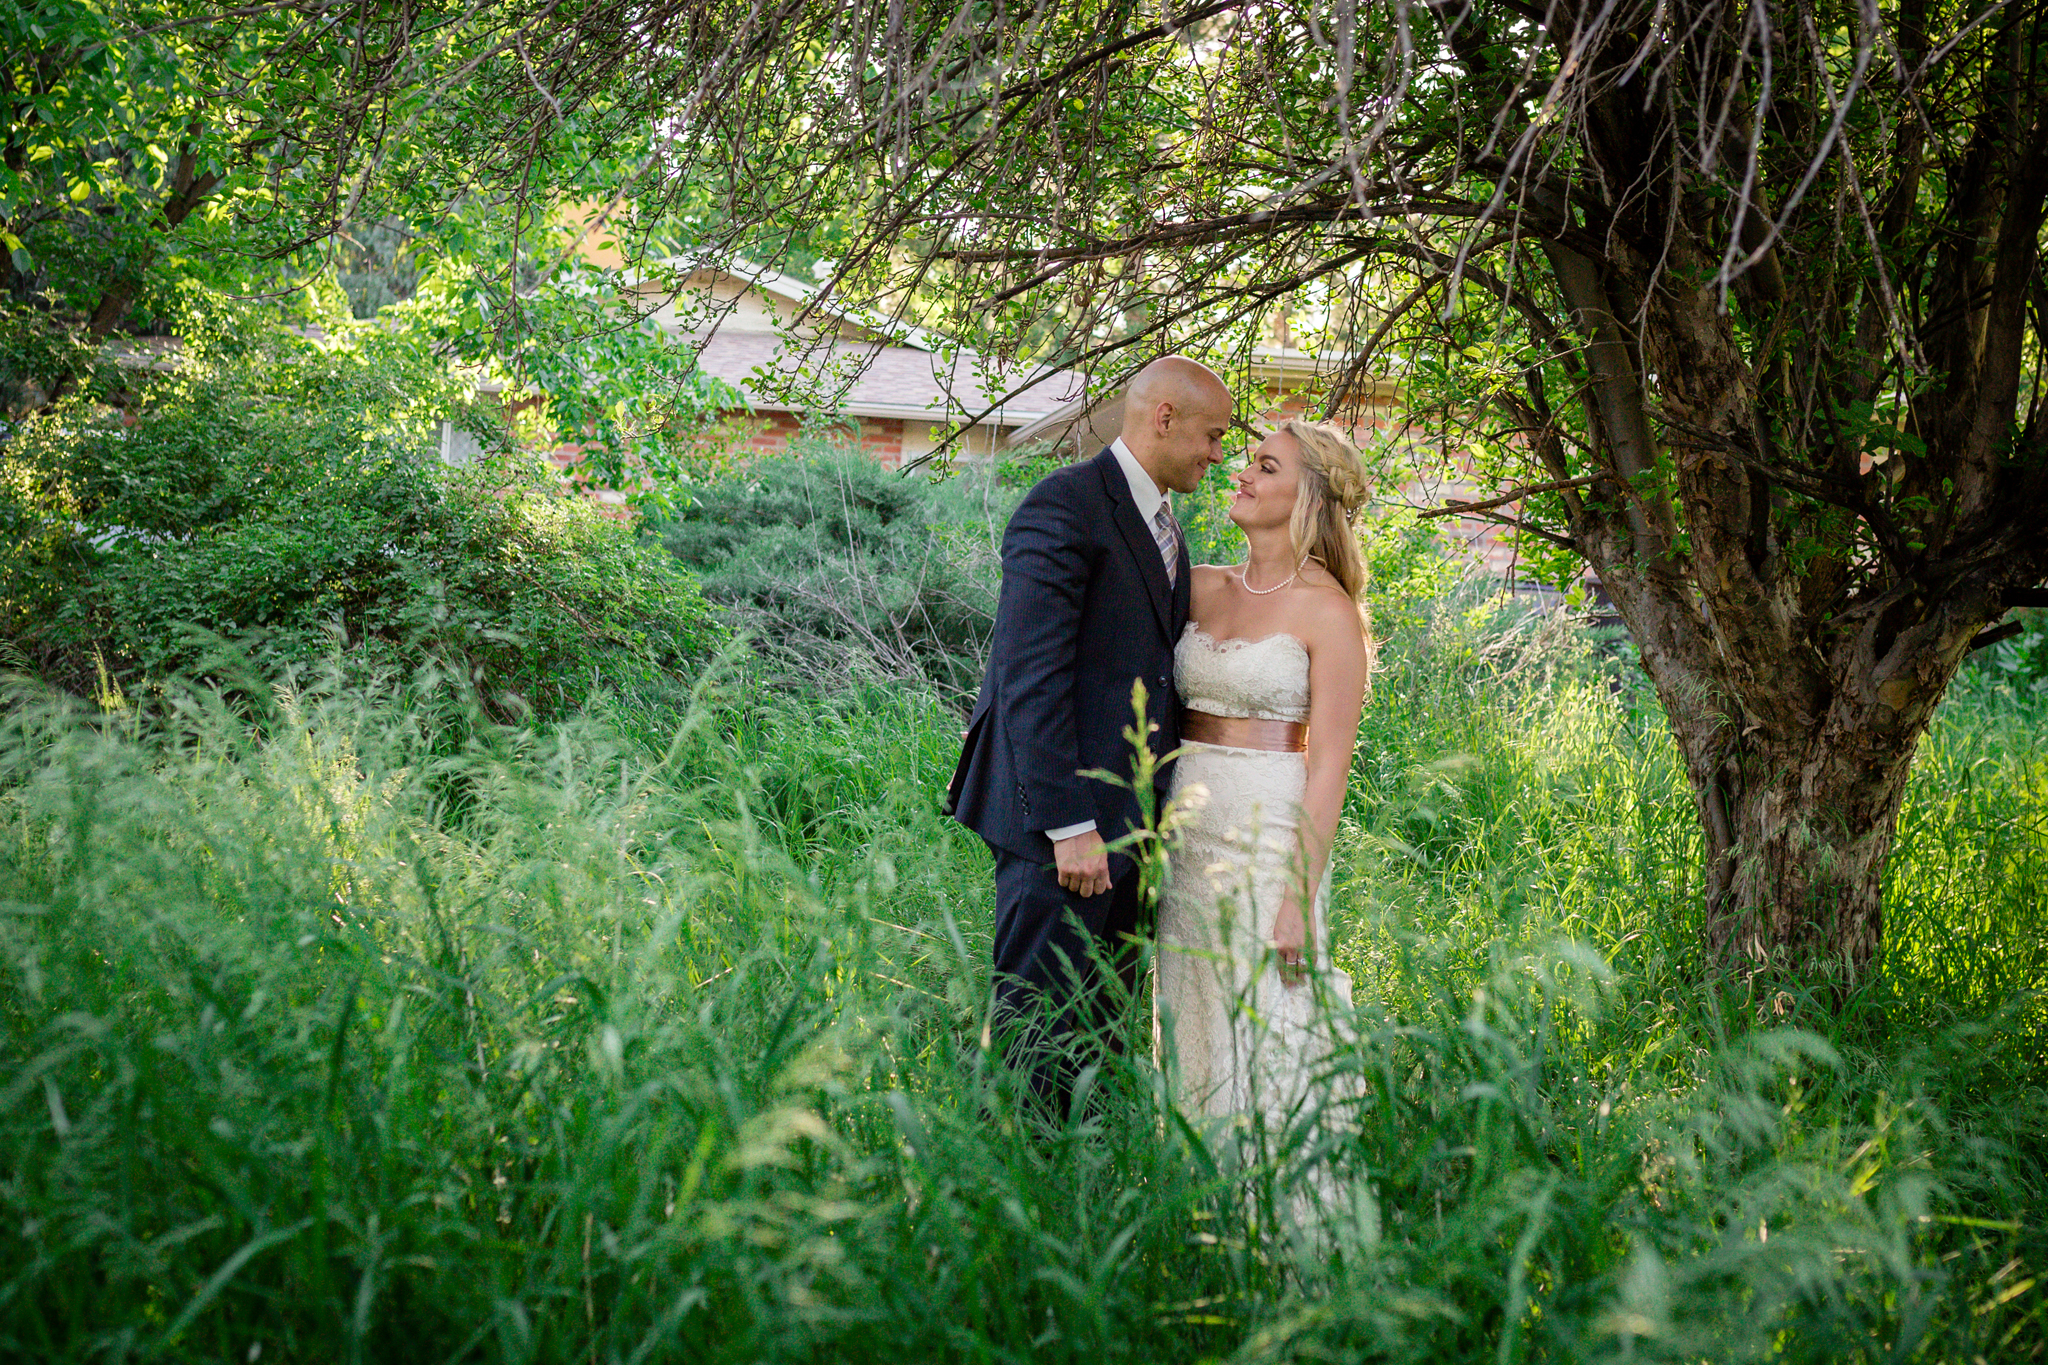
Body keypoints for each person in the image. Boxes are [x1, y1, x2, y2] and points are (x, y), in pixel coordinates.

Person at [946, 355, 1232, 1113]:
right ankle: (1010, 1194)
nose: (1217, 453)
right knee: (1035, 1041)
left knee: (1100, 1044)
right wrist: (1070, 826)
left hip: (1131, 831)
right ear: (1163, 418)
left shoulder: (1164, 523)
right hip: (1062, 830)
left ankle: (1081, 1200)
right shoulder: (1065, 505)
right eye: (1212, 435)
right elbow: (1028, 677)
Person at [1152, 418, 1374, 1129]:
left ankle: (1280, 1218)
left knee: (1270, 1031)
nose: (1241, 473)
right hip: (1184, 841)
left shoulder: (1329, 612)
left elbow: (1330, 764)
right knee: (1190, 1021)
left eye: (1266, 466)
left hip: (1267, 845)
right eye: (1247, 460)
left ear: (1307, 495)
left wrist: (1295, 898)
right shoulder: (1200, 585)